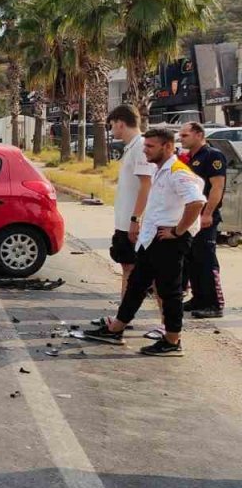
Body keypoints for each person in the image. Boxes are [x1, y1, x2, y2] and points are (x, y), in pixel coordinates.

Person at [83, 127, 205, 356]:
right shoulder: (161, 169)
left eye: (150, 146)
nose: (146, 151)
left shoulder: (178, 172)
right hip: (152, 239)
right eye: (145, 146)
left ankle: (172, 341)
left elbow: (196, 203)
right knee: (137, 284)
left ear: (167, 147)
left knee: (169, 291)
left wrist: (178, 232)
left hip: (168, 241)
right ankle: (116, 328)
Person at [95, 106, 154, 330]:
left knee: (139, 271)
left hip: (134, 223)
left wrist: (135, 219)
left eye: (111, 125)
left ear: (121, 123)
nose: (111, 130)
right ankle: (123, 316)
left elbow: (146, 186)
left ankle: (130, 319)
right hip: (125, 221)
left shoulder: (141, 147)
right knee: (127, 268)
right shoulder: (132, 148)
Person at [179, 122, 228, 319]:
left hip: (205, 216)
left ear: (199, 135)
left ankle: (214, 304)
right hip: (191, 216)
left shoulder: (213, 156)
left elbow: (217, 187)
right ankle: (199, 298)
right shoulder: (190, 158)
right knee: (192, 259)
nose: (181, 139)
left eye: (185, 135)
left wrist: (207, 213)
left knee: (207, 260)